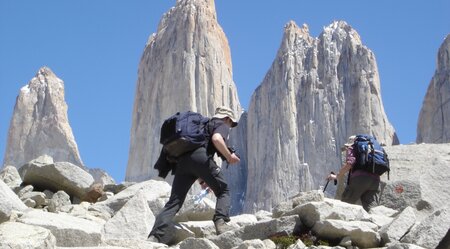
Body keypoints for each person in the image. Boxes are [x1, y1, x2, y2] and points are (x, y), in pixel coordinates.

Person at [147, 106, 241, 244]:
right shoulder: (221, 124)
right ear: (226, 118)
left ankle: (154, 236)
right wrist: (229, 156)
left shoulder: (202, 126)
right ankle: (221, 223)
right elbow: (216, 139)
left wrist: (202, 179)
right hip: (199, 158)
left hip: (182, 163)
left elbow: (195, 155)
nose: (230, 126)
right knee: (223, 190)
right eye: (231, 123)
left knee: (174, 202)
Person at [326, 135, 381, 211]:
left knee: (345, 205)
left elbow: (350, 163)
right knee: (371, 209)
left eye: (346, 147)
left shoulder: (352, 147)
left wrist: (336, 176)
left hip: (360, 179)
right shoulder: (372, 149)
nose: (346, 149)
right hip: (375, 181)